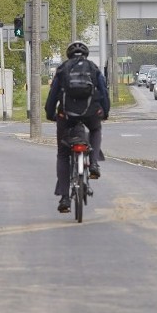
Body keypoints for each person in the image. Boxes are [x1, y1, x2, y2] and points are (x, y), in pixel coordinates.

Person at [45, 41, 110, 213]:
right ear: (86, 54)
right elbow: (103, 92)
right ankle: (94, 163)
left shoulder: (62, 69)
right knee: (96, 130)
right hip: (91, 112)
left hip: (67, 115)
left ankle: (65, 198)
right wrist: (105, 111)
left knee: (63, 154)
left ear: (69, 55)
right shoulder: (93, 68)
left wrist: (50, 113)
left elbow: (53, 95)